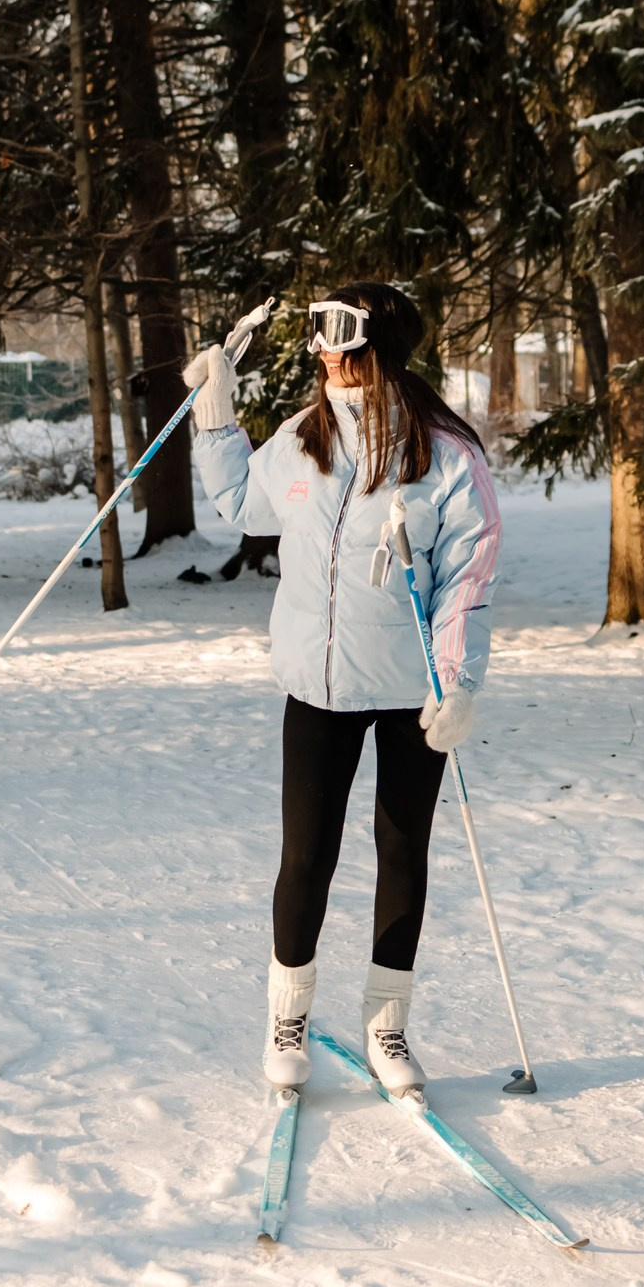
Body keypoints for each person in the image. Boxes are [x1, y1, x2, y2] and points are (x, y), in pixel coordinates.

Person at [183, 281, 500, 1097]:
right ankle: (287, 1017)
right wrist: (216, 414)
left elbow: (467, 580)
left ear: (377, 346)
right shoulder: (301, 436)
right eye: (318, 333)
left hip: (411, 689)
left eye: (337, 335)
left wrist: (458, 684)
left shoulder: (444, 455)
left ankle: (387, 1029)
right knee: (307, 855)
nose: (321, 348)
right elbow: (239, 507)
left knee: (402, 851)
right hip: (317, 687)